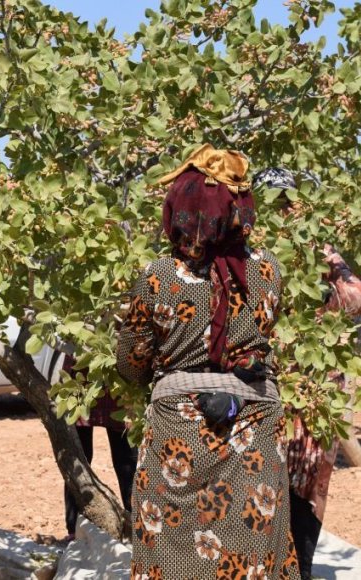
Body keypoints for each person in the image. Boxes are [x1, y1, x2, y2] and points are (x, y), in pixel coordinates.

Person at [117, 144, 300, 579]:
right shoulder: (269, 270)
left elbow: (131, 365)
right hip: (253, 433)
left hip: (179, 443)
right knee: (252, 558)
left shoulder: (157, 277)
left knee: (173, 561)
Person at [254, 168, 361, 580]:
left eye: (290, 203)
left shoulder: (323, 255)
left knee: (306, 493)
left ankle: (300, 570)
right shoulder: (247, 253)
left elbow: (358, 299)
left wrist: (327, 272)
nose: (283, 211)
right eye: (274, 203)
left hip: (313, 396)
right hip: (262, 392)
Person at [61, 356, 138, 539]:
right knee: (78, 457)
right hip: (82, 371)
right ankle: (74, 528)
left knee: (126, 458)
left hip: (119, 372)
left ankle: (137, 523)